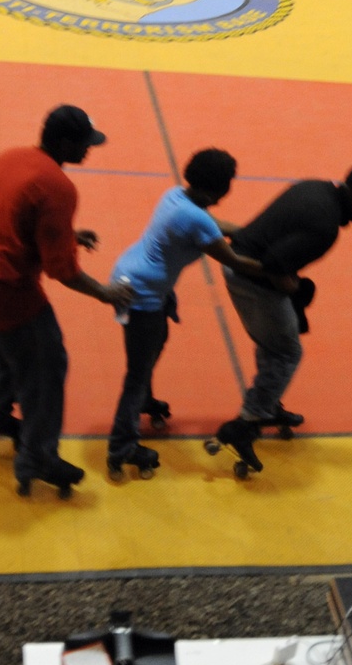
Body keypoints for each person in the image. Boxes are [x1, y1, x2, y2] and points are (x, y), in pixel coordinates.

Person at [0, 104, 132, 497]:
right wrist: (105, 293)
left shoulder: (12, 158)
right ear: (65, 142)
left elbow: (15, 221)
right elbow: (62, 271)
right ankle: (37, 456)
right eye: (84, 144)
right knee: (46, 367)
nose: (89, 150)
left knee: (12, 355)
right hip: (6, 292)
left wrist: (68, 236)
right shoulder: (57, 186)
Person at [214, 164, 352, 472]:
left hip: (239, 262)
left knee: (272, 340)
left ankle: (268, 402)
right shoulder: (326, 227)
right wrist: (293, 287)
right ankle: (248, 422)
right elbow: (274, 265)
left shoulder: (315, 186)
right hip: (251, 277)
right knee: (286, 352)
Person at [105, 148, 263, 480]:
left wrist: (248, 234)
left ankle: (144, 402)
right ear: (220, 189)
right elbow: (233, 259)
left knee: (155, 344)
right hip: (141, 295)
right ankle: (121, 448)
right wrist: (276, 271)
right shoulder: (195, 219)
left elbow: (215, 225)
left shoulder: (177, 194)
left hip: (137, 278)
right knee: (136, 373)